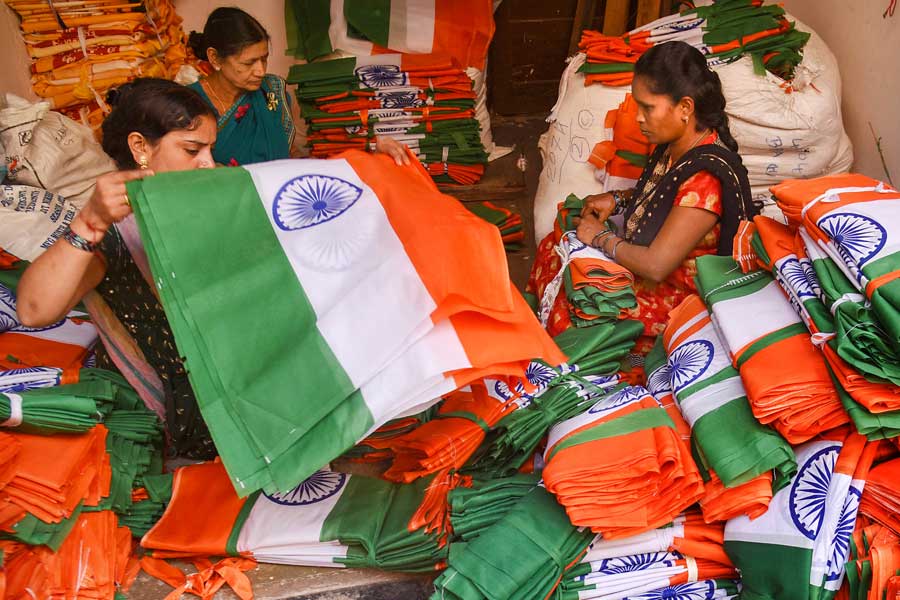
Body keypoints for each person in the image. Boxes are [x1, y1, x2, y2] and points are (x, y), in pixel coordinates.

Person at [17, 78, 220, 459]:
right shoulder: (115, 234)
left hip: (228, 388)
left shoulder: (205, 201)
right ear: (140, 147)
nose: (208, 163)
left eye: (211, 149)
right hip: (173, 411)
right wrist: (90, 222)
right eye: (192, 150)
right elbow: (33, 311)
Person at [529, 41, 757, 351]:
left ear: (685, 108)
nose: (638, 117)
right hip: (655, 275)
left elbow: (656, 266)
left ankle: (629, 363)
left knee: (574, 312)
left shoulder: (704, 180)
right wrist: (618, 199)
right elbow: (665, 194)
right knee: (554, 247)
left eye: (647, 108)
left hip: (678, 299)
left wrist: (600, 238)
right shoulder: (678, 145)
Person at [187, 7, 409, 167]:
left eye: (264, 59)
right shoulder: (187, 104)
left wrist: (370, 149)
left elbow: (297, 154)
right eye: (248, 63)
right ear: (214, 58)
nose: (260, 71)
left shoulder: (272, 91)